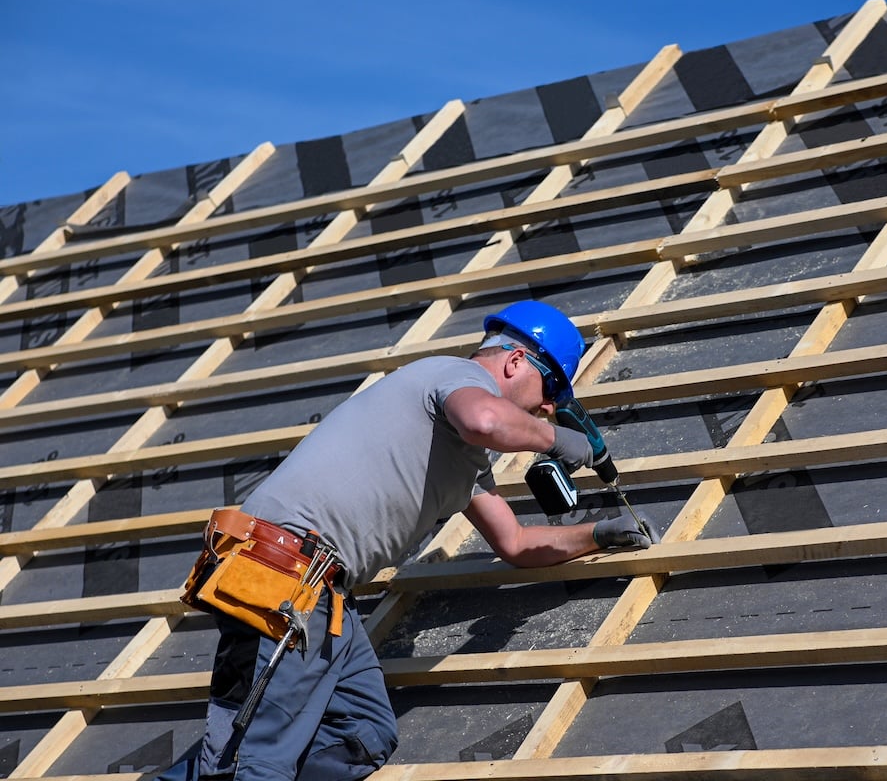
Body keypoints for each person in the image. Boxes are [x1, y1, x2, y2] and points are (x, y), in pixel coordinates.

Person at [159, 300, 656, 781]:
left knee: (364, 734)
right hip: (282, 573)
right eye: (550, 389)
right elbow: (485, 420)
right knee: (258, 760)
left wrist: (598, 534)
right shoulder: (450, 376)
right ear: (514, 361)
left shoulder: (465, 461)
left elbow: (516, 542)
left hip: (326, 594)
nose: (549, 406)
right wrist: (557, 439)